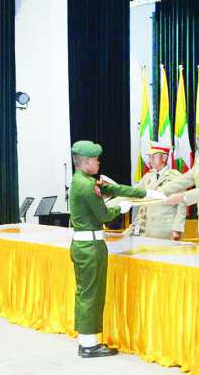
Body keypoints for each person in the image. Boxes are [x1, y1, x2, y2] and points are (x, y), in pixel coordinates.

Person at [68, 140, 165, 358]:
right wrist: (120, 208)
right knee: (91, 294)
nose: (98, 163)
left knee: (87, 292)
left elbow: (114, 188)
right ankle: (89, 345)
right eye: (95, 160)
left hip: (86, 244)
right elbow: (103, 215)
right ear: (86, 162)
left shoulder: (83, 180)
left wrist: (146, 194)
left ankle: (86, 341)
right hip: (90, 246)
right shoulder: (86, 185)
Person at [130, 141, 187, 240]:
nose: (150, 160)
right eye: (149, 157)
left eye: (153, 157)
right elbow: (134, 193)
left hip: (166, 230)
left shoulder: (175, 177)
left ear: (164, 158)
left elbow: (182, 204)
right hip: (149, 229)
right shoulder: (148, 177)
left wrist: (178, 229)